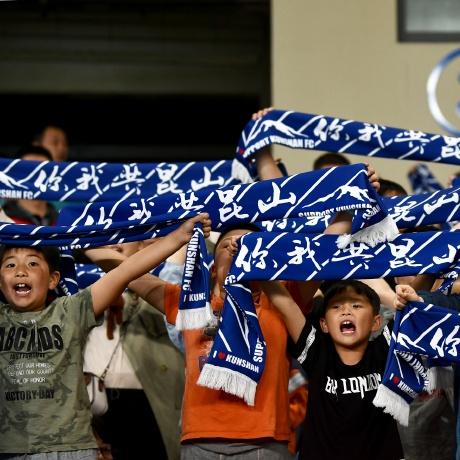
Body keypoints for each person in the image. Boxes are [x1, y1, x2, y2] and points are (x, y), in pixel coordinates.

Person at [0, 213, 211, 459]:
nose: (21, 271)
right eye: (10, 265)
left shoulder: (72, 310)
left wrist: (177, 237)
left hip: (72, 449)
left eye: (33, 264)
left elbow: (126, 270)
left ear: (53, 279)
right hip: (11, 450)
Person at [261, 279, 404, 460]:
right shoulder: (316, 352)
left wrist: (411, 291)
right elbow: (286, 304)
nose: (346, 311)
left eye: (356, 305)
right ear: (324, 324)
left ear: (376, 322)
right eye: (336, 307)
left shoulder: (384, 350)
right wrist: (256, 268)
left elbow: (409, 309)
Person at [84, 239, 185, 460]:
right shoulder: (84, 283)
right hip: (98, 399)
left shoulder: (162, 282)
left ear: (142, 246)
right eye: (107, 237)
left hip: (148, 400)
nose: (113, 242)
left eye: (122, 237)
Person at [3, 145, 59, 226]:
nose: (36, 176)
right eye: (28, 170)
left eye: (43, 170)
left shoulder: (65, 221)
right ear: (15, 175)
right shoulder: (2, 220)